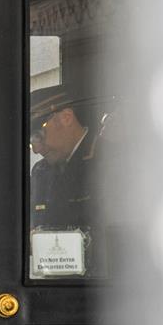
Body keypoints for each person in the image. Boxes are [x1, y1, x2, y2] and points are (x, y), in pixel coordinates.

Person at [29, 86, 103, 231]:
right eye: (31, 142)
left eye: (39, 136)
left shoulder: (107, 159)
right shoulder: (40, 171)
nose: (36, 150)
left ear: (66, 118)